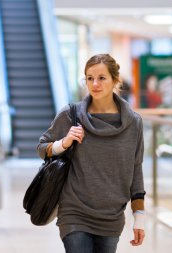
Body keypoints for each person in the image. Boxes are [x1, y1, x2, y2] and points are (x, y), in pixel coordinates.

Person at [37, 54, 145, 253]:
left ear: (115, 80)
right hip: (74, 211)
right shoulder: (70, 115)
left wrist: (139, 216)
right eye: (89, 78)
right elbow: (42, 148)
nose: (95, 84)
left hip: (111, 215)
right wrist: (64, 142)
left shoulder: (133, 123)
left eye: (102, 78)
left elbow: (136, 168)